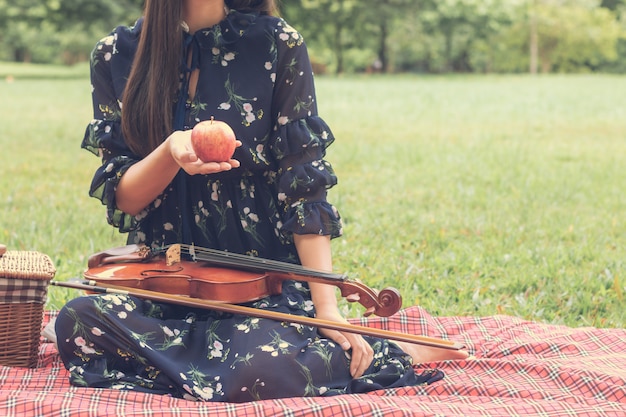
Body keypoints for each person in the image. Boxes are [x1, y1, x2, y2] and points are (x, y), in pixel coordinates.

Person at [55, 0, 468, 402]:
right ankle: (236, 361)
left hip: (259, 290)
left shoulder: (277, 44)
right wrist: (169, 153)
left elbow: (304, 191)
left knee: (257, 368)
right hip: (164, 284)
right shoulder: (115, 54)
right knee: (76, 319)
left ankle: (388, 351)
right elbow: (124, 197)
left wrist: (326, 308)